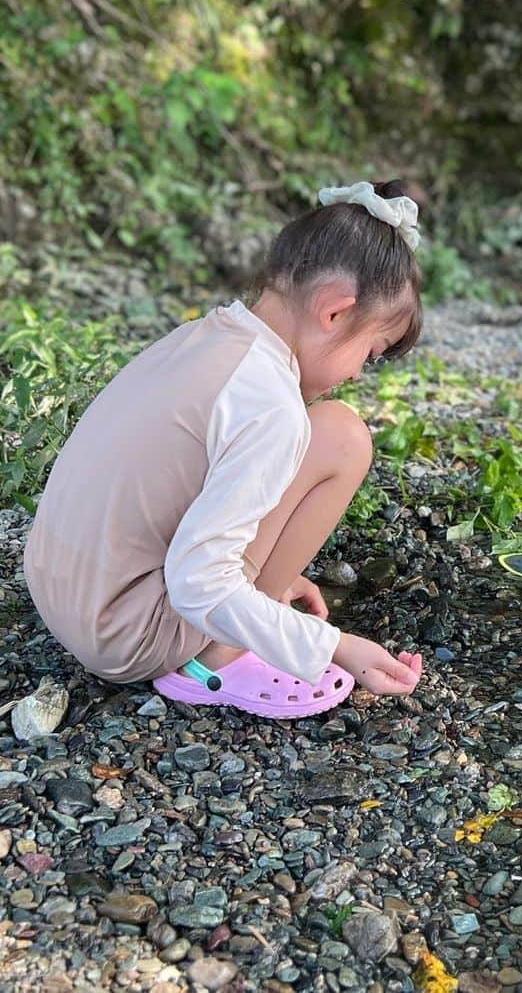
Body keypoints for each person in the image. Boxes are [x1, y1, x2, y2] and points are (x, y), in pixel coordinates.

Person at [23, 179, 425, 716]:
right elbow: (198, 584)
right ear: (334, 312)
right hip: (126, 635)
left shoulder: (205, 337)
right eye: (370, 354)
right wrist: (331, 645)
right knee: (344, 439)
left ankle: (245, 610)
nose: (357, 374)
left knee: (328, 427)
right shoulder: (271, 405)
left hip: (61, 592)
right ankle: (217, 657)